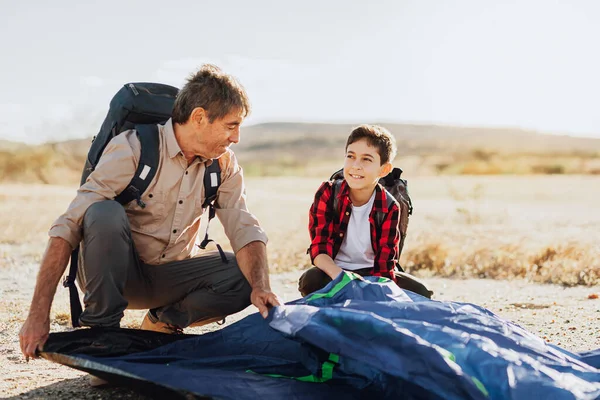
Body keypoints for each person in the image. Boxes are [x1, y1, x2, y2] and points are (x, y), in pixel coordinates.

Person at [20, 64, 281, 361]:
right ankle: (102, 338)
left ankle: (162, 325)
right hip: (116, 275)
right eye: (230, 126)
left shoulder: (223, 164)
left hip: (170, 276)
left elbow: (243, 225)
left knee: (243, 272)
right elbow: (68, 226)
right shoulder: (133, 148)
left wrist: (261, 287)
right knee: (102, 213)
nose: (236, 138)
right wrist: (37, 315)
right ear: (198, 117)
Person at [299, 124, 432, 298]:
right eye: (350, 156)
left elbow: (385, 265)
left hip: (373, 274)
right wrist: (342, 278)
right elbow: (319, 249)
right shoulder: (328, 193)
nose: (356, 166)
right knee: (311, 280)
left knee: (421, 292)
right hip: (334, 273)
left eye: (366, 159)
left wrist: (372, 289)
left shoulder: (390, 206)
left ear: (384, 169)